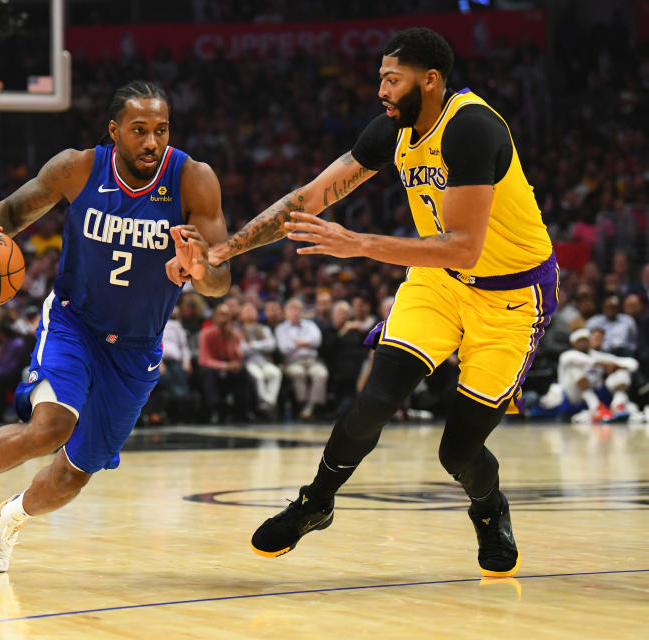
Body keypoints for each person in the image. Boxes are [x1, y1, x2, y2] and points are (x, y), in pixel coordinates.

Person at [174, 28, 558, 577]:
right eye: (380, 76)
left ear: (429, 81)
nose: (380, 87)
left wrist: (358, 245)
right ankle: (316, 502)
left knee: (458, 453)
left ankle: (489, 507)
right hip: (439, 283)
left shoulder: (473, 128)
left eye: (391, 78)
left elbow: (466, 246)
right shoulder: (392, 132)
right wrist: (220, 251)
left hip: (512, 297)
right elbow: (304, 201)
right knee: (374, 402)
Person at [0, 80, 230, 573]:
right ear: (114, 131)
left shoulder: (193, 180)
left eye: (161, 130)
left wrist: (202, 268)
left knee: (75, 474)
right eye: (139, 130)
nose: (151, 142)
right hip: (75, 322)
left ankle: (5, 522)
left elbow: (221, 281)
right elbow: (10, 212)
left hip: (137, 348)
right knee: (51, 425)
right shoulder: (78, 168)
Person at [198, 304, 253, 423]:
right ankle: (216, 411)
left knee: (243, 372)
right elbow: (204, 359)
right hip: (213, 368)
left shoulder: (235, 334)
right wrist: (224, 366)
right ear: (215, 317)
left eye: (226, 315)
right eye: (221, 314)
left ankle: (242, 411)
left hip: (229, 369)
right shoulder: (206, 333)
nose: (224, 318)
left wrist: (231, 339)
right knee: (208, 373)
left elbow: (237, 358)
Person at [275, 298, 327, 419]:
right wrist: (305, 343)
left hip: (312, 360)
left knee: (321, 374)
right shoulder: (281, 328)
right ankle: (302, 404)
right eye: (292, 309)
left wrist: (297, 343)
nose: (295, 312)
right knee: (298, 373)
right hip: (292, 361)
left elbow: (317, 340)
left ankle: (310, 407)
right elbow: (284, 348)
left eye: (298, 309)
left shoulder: (310, 325)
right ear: (285, 312)